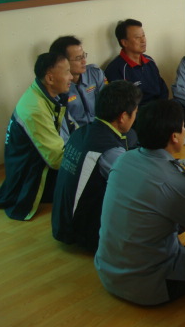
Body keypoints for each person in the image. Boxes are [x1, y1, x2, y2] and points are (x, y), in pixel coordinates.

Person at [94, 100, 185, 305]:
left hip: (108, 273)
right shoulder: (178, 181)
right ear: (174, 137)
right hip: (151, 286)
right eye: (183, 127)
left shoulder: (124, 159)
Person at [52, 80, 141, 251]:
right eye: (135, 112)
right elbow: (138, 184)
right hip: (83, 231)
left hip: (62, 222)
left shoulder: (82, 132)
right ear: (123, 117)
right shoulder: (109, 151)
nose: (136, 117)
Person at [0, 53, 73, 220]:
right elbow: (57, 159)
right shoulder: (35, 109)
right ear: (50, 78)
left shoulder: (44, 94)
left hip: (38, 161)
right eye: (67, 72)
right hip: (29, 173)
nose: (71, 77)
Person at [104, 18, 169, 107]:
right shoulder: (116, 69)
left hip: (159, 108)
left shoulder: (149, 61)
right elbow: (122, 105)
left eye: (143, 35)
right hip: (138, 113)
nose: (143, 40)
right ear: (124, 42)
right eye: (137, 37)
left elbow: (162, 88)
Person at [49, 35, 107, 127]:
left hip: (101, 126)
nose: (84, 61)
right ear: (62, 62)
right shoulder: (58, 87)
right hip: (78, 132)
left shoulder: (94, 73)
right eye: (78, 58)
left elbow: (108, 103)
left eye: (84, 56)